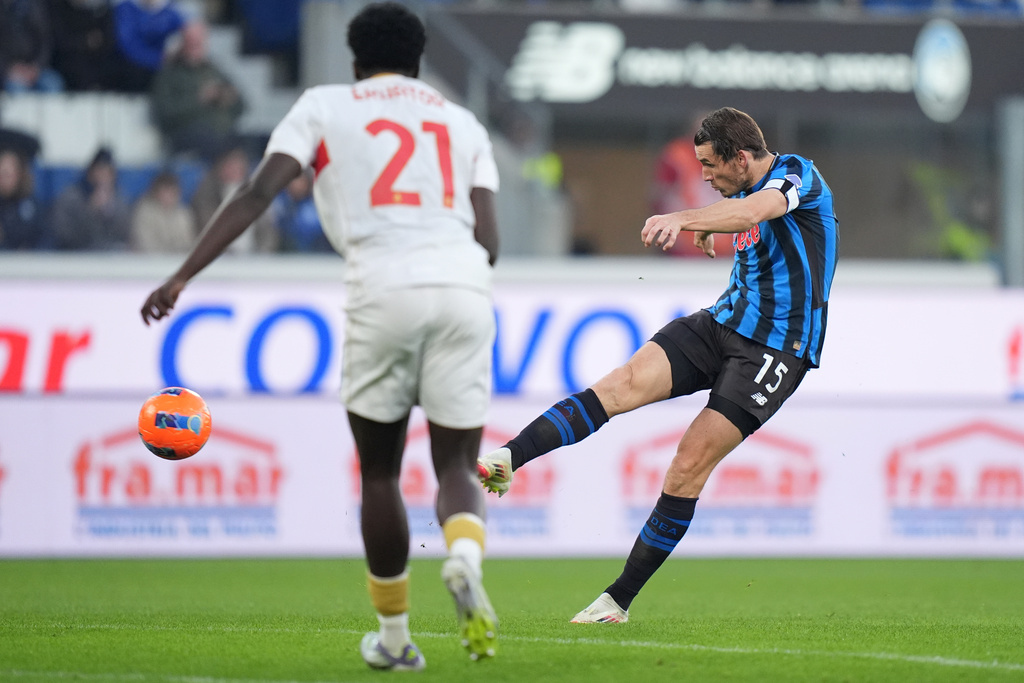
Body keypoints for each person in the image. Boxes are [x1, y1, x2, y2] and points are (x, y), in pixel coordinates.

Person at [139, 2, 502, 670]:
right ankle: (464, 557)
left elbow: (255, 194)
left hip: (381, 287)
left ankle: (394, 639)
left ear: (356, 62)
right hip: (465, 287)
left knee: (382, 470)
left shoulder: (326, 105)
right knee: (455, 463)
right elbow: (491, 240)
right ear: (420, 63)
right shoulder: (463, 121)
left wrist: (182, 276)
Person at [478, 106, 839, 623]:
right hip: (721, 324)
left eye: (710, 167)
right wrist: (711, 227)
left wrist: (683, 219)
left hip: (776, 351)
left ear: (741, 158)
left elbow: (754, 212)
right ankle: (508, 459)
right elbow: (742, 212)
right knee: (621, 384)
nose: (704, 177)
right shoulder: (739, 189)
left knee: (688, 463)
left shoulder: (798, 176)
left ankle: (616, 600)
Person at [149, 20, 244, 158]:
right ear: (183, 42)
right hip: (188, 135)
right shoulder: (169, 74)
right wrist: (200, 100)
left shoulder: (214, 70)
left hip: (224, 133)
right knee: (212, 142)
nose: (195, 46)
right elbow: (164, 114)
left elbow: (241, 105)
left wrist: (229, 97)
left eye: (199, 42)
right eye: (191, 41)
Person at [651, 122, 722, 258]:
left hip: (725, 249)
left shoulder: (732, 157)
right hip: (683, 247)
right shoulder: (677, 156)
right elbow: (659, 195)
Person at [190, 143, 277, 253]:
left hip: (254, 257)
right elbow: (206, 226)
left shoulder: (256, 193)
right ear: (221, 167)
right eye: (231, 165)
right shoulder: (206, 194)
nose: (235, 170)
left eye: (239, 166)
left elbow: (267, 229)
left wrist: (264, 252)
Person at [50, 146, 132, 250]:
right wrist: (90, 210)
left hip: (111, 257)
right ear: (90, 172)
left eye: (108, 172)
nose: (103, 177)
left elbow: (125, 233)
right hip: (76, 256)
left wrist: (110, 212)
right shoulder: (70, 197)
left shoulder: (120, 198)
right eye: (99, 171)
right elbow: (63, 235)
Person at [111, 0, 188, 92]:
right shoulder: (125, 9)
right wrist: (159, 58)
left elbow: (184, 38)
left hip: (166, 73)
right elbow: (127, 44)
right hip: (130, 73)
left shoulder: (173, 12)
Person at [0, 0, 65, 93]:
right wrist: (8, 69)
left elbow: (46, 41)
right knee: (17, 90)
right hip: (8, 71)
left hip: (36, 68)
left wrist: (36, 67)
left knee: (52, 83)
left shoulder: (34, 7)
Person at [130, 169, 196, 252]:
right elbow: (145, 244)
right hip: (150, 262)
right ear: (156, 192)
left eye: (172, 192)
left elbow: (188, 243)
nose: (169, 196)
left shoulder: (183, 213)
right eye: (165, 191)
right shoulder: (145, 212)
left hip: (177, 260)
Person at [272, 169, 331, 253]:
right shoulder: (280, 204)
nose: (296, 184)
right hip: (285, 255)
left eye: (300, 180)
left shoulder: (315, 206)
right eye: (293, 180)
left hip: (316, 255)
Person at [0, 148, 45, 249]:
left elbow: (44, 236)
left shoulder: (32, 205)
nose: (3, 180)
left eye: (7, 175)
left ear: (19, 175)